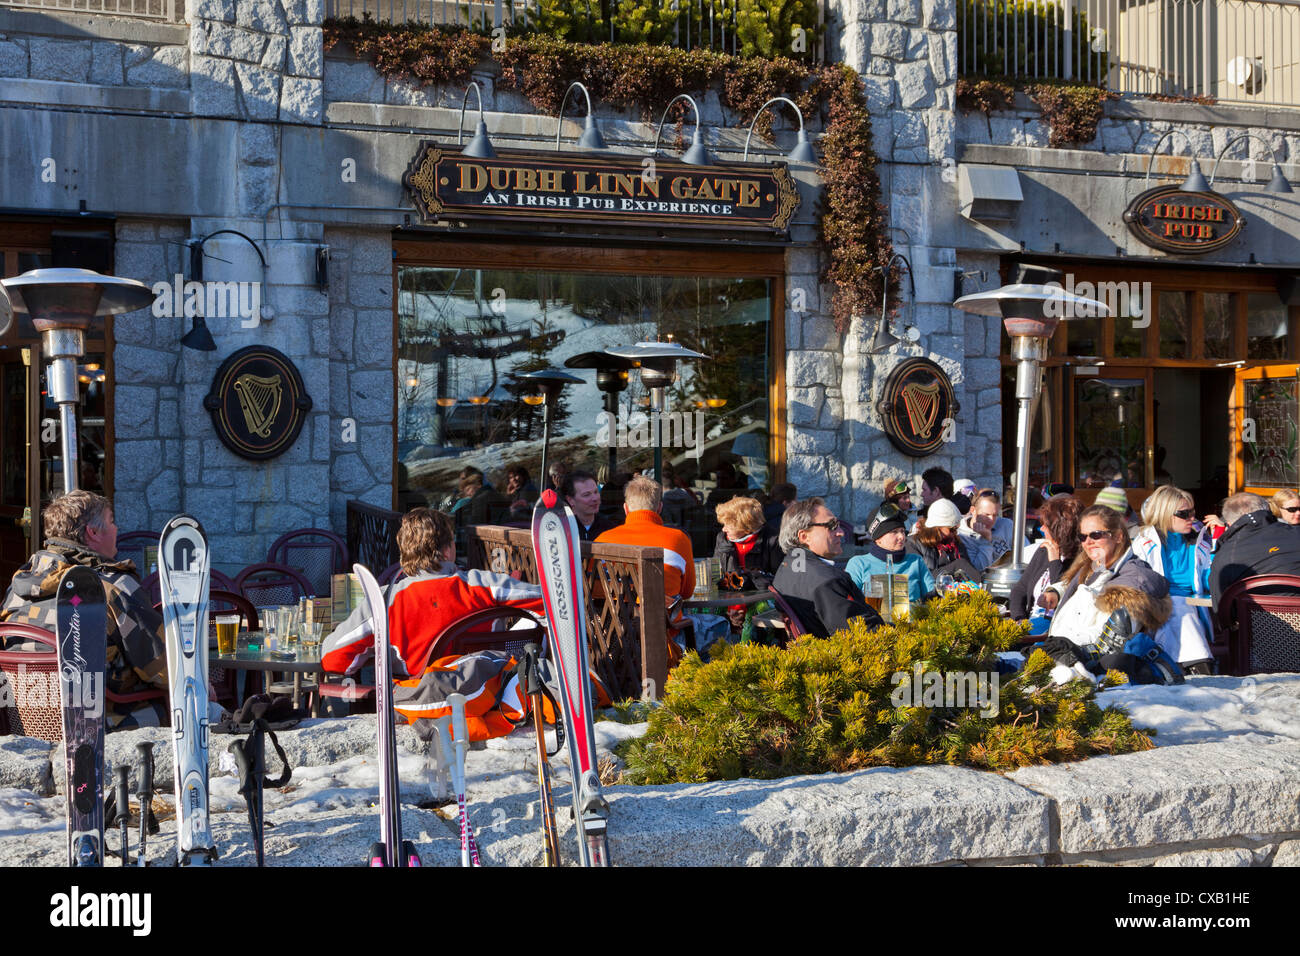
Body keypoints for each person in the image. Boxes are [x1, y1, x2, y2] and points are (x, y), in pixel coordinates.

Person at [0, 490, 170, 730]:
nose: (116, 529)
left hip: (30, 730)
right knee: (212, 713)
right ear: (93, 532)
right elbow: (165, 671)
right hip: (101, 730)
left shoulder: (17, 590)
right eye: (111, 521)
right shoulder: (112, 589)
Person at [322, 508, 544, 679]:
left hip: (420, 705)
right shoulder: (485, 585)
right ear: (447, 550)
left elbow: (334, 660)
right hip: (485, 699)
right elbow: (552, 603)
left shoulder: (385, 600)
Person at [1037, 504, 1172, 685]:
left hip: (1085, 670)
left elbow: (1107, 645)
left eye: (1096, 535)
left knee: (994, 684)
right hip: (1059, 655)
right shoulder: (1093, 566)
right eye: (1082, 537)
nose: (1088, 542)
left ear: (1118, 536)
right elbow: (1076, 587)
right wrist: (1055, 591)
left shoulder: (1131, 583)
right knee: (991, 674)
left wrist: (1063, 646)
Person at [595, 476, 696, 645]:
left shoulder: (602, 541)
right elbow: (687, 592)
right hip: (663, 637)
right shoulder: (678, 539)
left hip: (614, 638)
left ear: (626, 509)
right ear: (660, 507)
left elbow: (596, 592)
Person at [1129, 486, 1218, 673]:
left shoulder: (1200, 541)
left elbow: (1209, 580)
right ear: (1165, 514)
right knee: (1177, 606)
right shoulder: (1144, 543)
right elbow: (1138, 582)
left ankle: (1175, 670)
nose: (1191, 518)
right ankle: (1200, 667)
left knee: (1179, 607)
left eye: (1192, 512)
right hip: (1154, 610)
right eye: (1184, 514)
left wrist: (1217, 546)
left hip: (1195, 607)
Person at [772, 498, 882, 638]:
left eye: (838, 524)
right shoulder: (827, 581)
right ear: (804, 536)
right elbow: (861, 634)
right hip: (845, 655)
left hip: (813, 652)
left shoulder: (786, 567)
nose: (841, 532)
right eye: (831, 526)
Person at [1209, 492, 1300, 608]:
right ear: (1268, 510)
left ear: (1230, 524)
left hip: (1255, 624)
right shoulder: (1295, 533)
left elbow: (1221, 609)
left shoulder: (1225, 556)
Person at [1008, 494, 1081, 620]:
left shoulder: (1080, 559)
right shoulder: (1044, 551)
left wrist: (1054, 562)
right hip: (1031, 623)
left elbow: (1063, 595)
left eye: (1045, 525)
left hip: (1056, 627)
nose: (1041, 528)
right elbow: (1020, 589)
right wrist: (1019, 619)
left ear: (1059, 530)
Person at [846, 503, 936, 603]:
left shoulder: (915, 561)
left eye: (902, 531)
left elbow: (933, 598)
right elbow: (849, 603)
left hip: (913, 617)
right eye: (894, 532)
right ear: (878, 538)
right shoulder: (859, 564)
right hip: (873, 618)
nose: (901, 536)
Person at [906, 499, 982, 582]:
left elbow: (971, 574)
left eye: (956, 529)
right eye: (952, 529)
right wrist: (956, 566)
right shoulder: (913, 544)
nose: (955, 533)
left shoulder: (956, 544)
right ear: (937, 527)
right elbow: (919, 578)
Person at [713, 496, 783, 581]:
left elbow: (778, 578)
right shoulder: (722, 538)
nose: (723, 529)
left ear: (745, 524)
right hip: (728, 592)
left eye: (727, 525)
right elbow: (715, 575)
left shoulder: (773, 540)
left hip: (762, 593)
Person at [957, 488, 1023, 571]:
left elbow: (1025, 552)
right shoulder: (962, 535)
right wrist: (986, 540)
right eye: (986, 514)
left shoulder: (1006, 525)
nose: (991, 519)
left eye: (995, 515)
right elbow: (979, 568)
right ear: (973, 510)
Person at [563, 469, 615, 541]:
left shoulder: (609, 529)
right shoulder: (562, 529)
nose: (595, 498)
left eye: (596, 492)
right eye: (586, 495)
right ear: (570, 500)